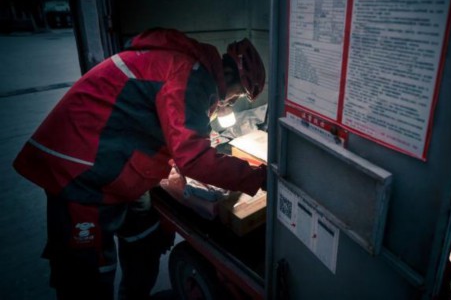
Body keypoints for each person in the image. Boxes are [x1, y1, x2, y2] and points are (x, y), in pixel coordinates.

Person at [12, 28, 267, 300]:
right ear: (228, 75)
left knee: (147, 238)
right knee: (88, 273)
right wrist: (259, 178)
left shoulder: (186, 66)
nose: (229, 103)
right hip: (82, 170)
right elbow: (193, 159)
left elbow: (174, 129)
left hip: (113, 161)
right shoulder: (191, 74)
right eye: (235, 96)